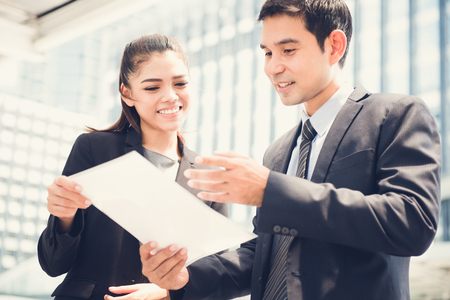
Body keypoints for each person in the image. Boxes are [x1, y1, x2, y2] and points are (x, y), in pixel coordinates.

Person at [139, 1, 442, 299]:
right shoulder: (278, 151)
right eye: (268, 52)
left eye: (288, 50)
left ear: (334, 46)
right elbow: (263, 253)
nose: (272, 67)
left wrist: (271, 191)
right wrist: (187, 277)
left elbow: (412, 222)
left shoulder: (395, 115)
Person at [37, 34, 228, 300]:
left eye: (180, 83)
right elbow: (53, 264)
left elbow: (219, 276)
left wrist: (165, 292)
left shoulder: (210, 178)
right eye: (152, 88)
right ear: (127, 94)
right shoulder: (95, 149)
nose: (171, 96)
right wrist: (65, 217)